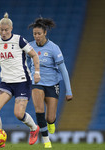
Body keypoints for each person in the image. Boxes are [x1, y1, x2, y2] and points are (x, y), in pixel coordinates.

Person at [0, 12, 40, 148]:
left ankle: (33, 128)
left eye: (6, 30)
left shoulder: (19, 40)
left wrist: (37, 72)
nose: (4, 33)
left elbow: (34, 55)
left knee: (19, 114)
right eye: (1, 30)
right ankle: (0, 141)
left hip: (22, 81)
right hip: (6, 82)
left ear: (11, 29)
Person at [27, 18, 73, 148]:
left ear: (45, 33)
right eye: (34, 34)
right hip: (37, 82)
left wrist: (69, 91)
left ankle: (51, 122)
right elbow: (23, 62)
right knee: (39, 109)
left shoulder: (54, 48)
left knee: (50, 118)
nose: (36, 36)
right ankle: (46, 140)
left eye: (39, 33)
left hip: (53, 84)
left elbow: (63, 70)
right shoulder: (29, 47)